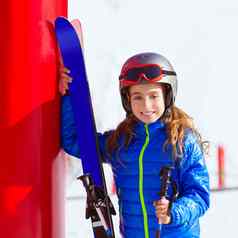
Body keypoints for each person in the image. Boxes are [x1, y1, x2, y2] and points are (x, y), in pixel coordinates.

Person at [59, 52, 210, 238]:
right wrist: (68, 94)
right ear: (127, 100)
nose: (146, 106)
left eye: (154, 96)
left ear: (167, 95)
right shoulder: (121, 142)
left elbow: (199, 195)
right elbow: (75, 141)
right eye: (138, 97)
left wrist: (174, 211)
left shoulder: (182, 141)